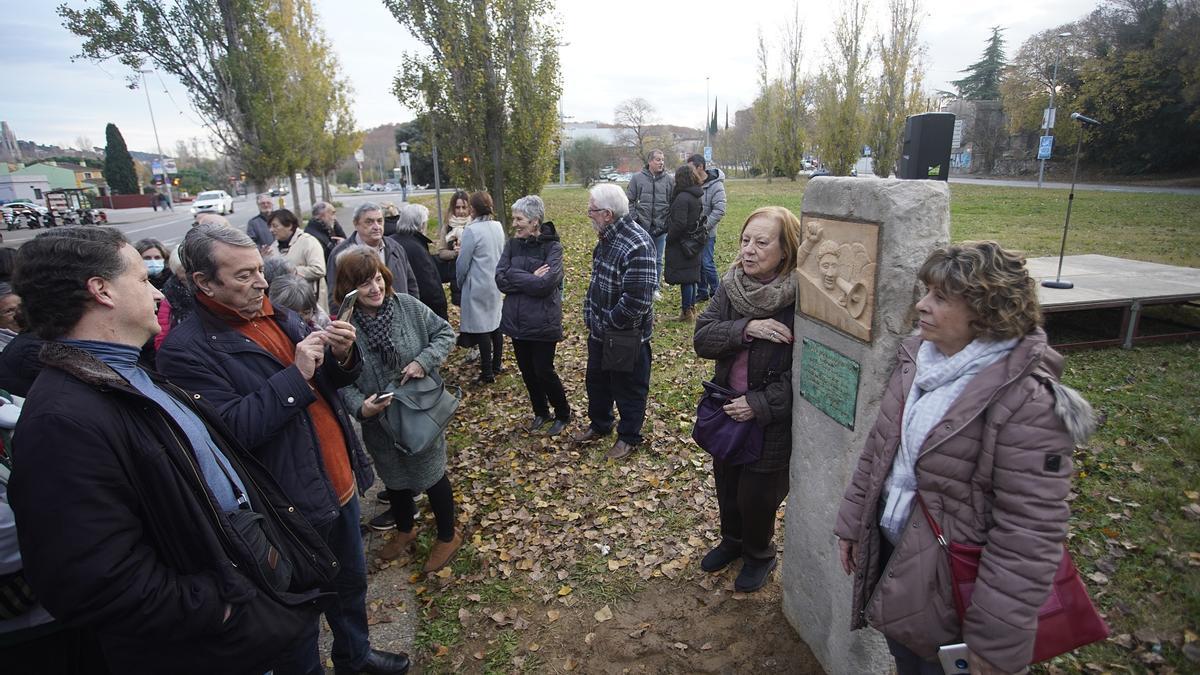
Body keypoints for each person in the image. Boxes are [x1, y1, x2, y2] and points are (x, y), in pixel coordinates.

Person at [7, 227, 338, 674]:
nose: (159, 294)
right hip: (219, 644)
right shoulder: (62, 422)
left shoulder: (128, 374)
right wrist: (225, 608)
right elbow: (92, 582)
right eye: (143, 280)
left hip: (254, 610)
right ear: (101, 291)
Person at [157, 224, 410, 675]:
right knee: (297, 616)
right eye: (243, 276)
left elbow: (328, 382)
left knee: (350, 585)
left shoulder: (276, 314)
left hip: (339, 484)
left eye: (259, 269)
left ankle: (356, 657)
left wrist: (342, 356)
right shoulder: (186, 351)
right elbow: (233, 431)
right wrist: (296, 375)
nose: (260, 282)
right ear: (203, 283)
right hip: (287, 508)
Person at [835, 242, 1095, 675]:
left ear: (986, 310)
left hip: (961, 586)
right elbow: (880, 453)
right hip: (900, 561)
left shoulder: (1028, 402)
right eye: (926, 292)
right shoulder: (917, 359)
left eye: (940, 297)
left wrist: (995, 642)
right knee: (908, 661)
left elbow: (1028, 532)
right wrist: (853, 524)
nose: (921, 304)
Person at [692, 206, 800, 593]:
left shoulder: (800, 300)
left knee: (757, 495)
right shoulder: (732, 286)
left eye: (762, 242)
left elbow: (804, 374)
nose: (749, 250)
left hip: (766, 416)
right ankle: (732, 542)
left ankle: (759, 553)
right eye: (745, 240)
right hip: (727, 408)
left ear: (786, 250)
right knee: (727, 482)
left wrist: (758, 404)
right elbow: (702, 337)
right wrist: (747, 328)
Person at [333, 248, 462, 571]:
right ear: (349, 289)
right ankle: (406, 528)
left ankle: (448, 535)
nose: (375, 289)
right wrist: (361, 408)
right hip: (379, 423)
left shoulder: (407, 307)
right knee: (393, 477)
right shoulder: (344, 329)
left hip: (419, 413)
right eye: (364, 284)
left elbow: (445, 333)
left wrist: (423, 361)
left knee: (431, 475)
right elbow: (338, 379)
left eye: (377, 279)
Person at [573, 184, 657, 460]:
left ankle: (629, 436)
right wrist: (591, 316)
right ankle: (600, 424)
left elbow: (636, 302)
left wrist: (607, 323)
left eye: (592, 211)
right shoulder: (607, 238)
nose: (589, 215)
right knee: (596, 382)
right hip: (600, 332)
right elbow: (597, 281)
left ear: (607, 214)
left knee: (629, 388)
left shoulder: (638, 244)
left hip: (625, 336)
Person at [495, 195, 569, 436]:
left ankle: (562, 413)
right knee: (527, 371)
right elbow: (500, 279)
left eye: (520, 219)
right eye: (514, 218)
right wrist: (529, 276)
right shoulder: (512, 244)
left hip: (542, 321)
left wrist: (516, 275)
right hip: (517, 322)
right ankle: (540, 411)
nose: (515, 223)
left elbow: (546, 284)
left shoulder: (552, 247)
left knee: (543, 370)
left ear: (535, 221)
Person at [326, 202, 419, 310]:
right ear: (356, 224)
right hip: (360, 323)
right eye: (369, 222)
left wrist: (412, 314)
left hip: (399, 318)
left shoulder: (395, 248)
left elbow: (411, 286)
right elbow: (335, 297)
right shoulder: (340, 254)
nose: (376, 227)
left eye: (379, 221)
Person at [456, 191, 505, 383]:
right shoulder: (498, 226)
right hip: (495, 281)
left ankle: (487, 372)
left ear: (473, 209)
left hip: (477, 283)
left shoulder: (472, 230)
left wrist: (460, 282)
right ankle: (496, 364)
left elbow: (463, 263)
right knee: (495, 323)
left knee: (482, 327)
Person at [625, 149, 674, 299]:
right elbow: (629, 201)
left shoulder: (669, 180)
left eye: (662, 159)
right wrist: (635, 220)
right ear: (650, 162)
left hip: (660, 227)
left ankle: (654, 288)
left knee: (658, 259)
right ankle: (639, 286)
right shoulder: (637, 178)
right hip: (641, 227)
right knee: (640, 258)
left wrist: (666, 223)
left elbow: (673, 203)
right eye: (658, 160)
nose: (661, 163)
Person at [391, 203, 448, 321]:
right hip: (421, 313)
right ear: (421, 225)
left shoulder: (391, 242)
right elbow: (430, 287)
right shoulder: (417, 249)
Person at [267, 208, 328, 312]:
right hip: (285, 304)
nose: (271, 230)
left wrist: (294, 271)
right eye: (270, 226)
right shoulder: (273, 247)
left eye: (275, 226)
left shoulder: (308, 242)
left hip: (309, 302)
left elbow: (319, 269)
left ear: (289, 225)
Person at [664, 165, 704, 322]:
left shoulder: (682, 198)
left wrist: (669, 238)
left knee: (686, 279)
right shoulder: (695, 195)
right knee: (691, 277)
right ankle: (691, 309)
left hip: (682, 243)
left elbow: (680, 223)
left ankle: (687, 312)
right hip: (693, 241)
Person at [686, 154, 726, 303]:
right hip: (693, 233)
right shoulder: (692, 183)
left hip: (707, 232)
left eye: (691, 168)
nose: (688, 171)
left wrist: (704, 227)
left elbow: (720, 209)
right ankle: (702, 292)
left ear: (700, 167)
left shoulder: (716, 184)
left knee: (707, 262)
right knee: (698, 263)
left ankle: (717, 292)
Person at [435, 190, 472, 306]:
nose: (461, 211)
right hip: (456, 276)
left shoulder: (475, 225)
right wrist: (454, 253)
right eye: (457, 207)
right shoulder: (447, 226)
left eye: (464, 207)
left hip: (475, 276)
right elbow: (442, 252)